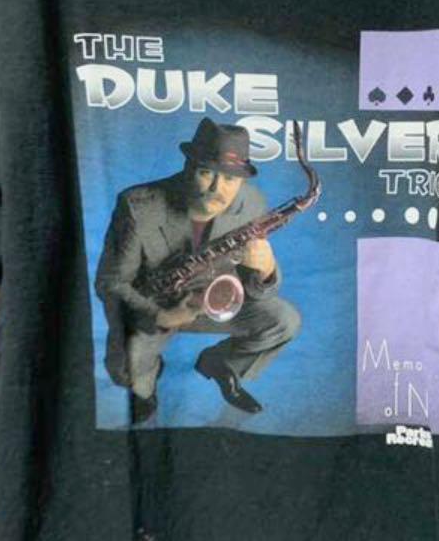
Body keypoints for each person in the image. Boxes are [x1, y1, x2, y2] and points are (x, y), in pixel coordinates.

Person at [95, 117, 302, 423]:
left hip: (211, 303)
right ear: (188, 167)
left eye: (230, 179)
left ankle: (221, 363)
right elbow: (111, 282)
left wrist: (266, 270)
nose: (218, 189)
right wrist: (160, 316)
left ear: (242, 181)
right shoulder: (137, 206)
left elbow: (256, 289)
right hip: (152, 305)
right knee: (125, 370)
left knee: (284, 320)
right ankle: (146, 384)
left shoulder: (252, 203)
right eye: (207, 173)